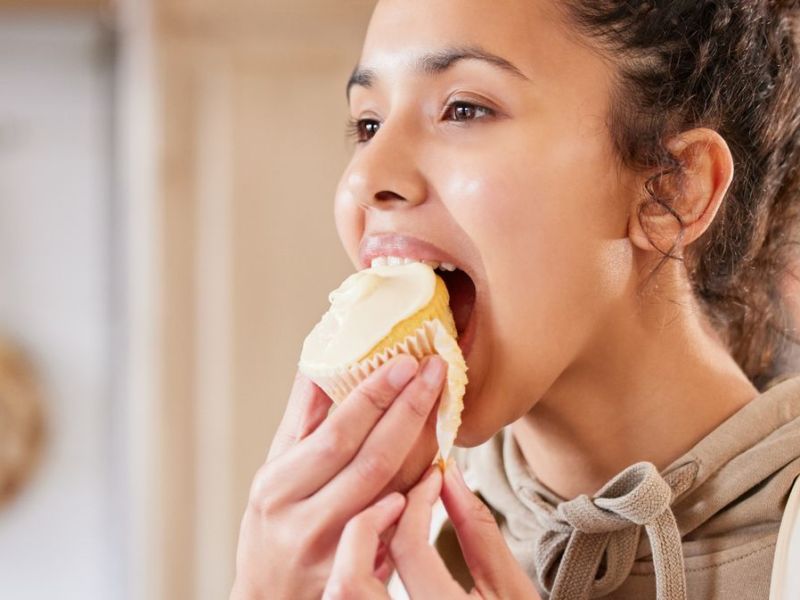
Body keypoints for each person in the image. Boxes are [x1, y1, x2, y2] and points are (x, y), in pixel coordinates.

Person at [230, 1, 800, 599]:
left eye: (463, 109)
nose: (364, 177)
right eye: (367, 124)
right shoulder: (365, 560)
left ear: (674, 187)